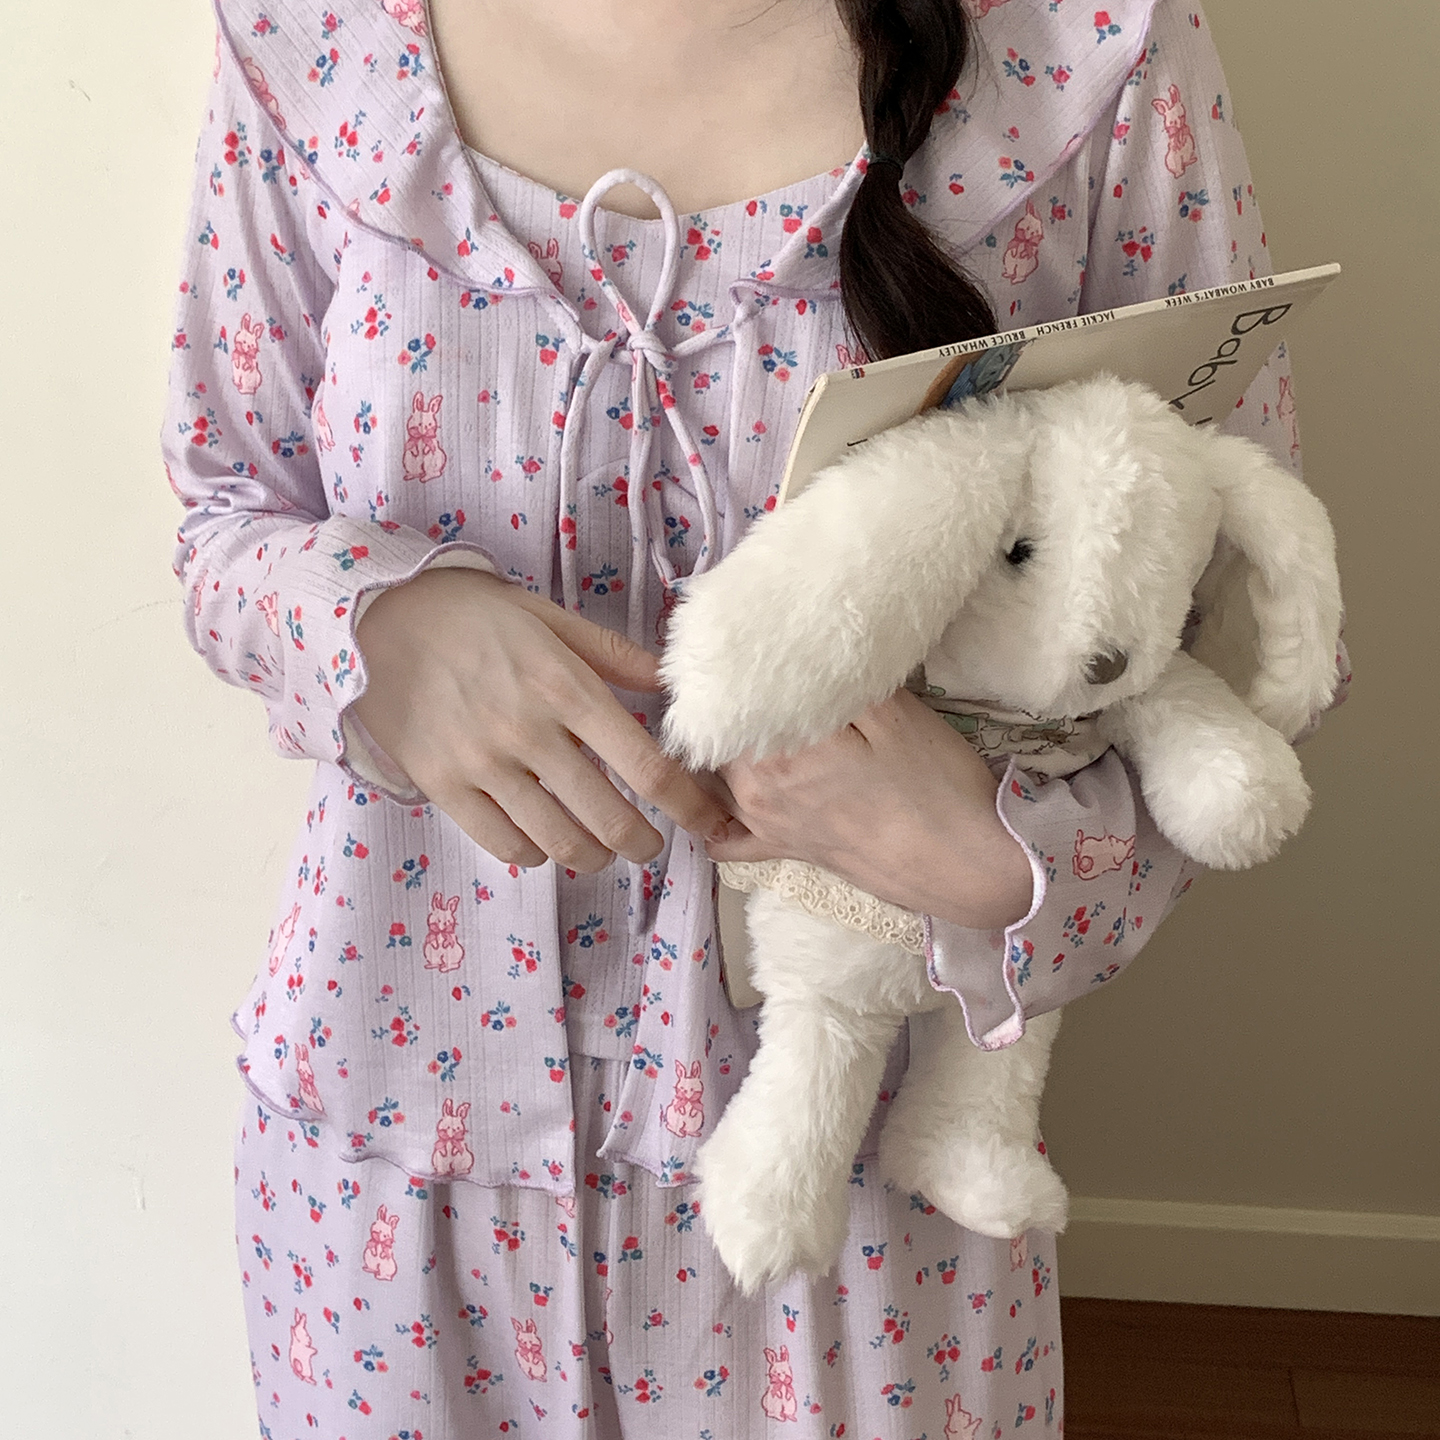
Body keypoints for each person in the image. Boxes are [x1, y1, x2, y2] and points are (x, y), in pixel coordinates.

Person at [161, 0, 1343, 1434]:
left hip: (868, 1180)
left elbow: (1242, 613)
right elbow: (226, 509)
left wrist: (1011, 859)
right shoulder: (316, 44)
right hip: (402, 1143)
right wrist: (377, 630)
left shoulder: (1088, 55)